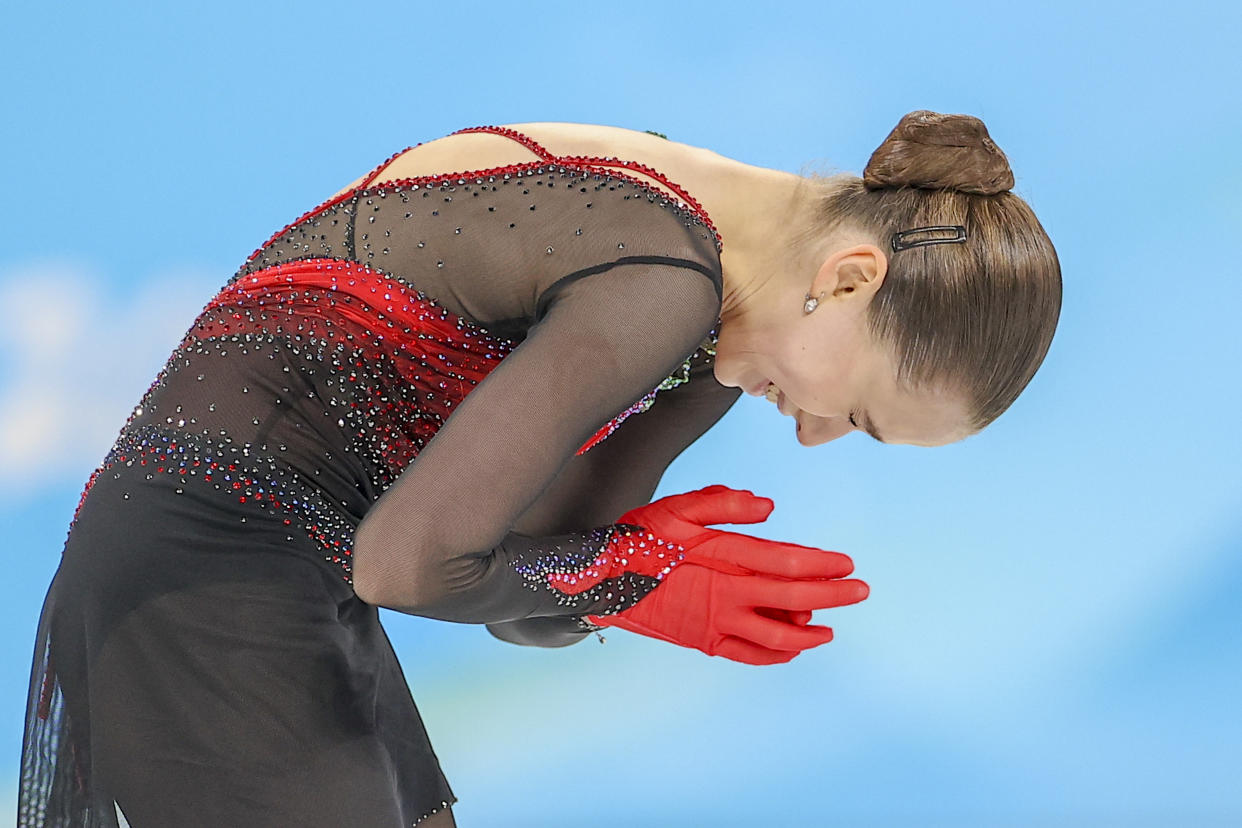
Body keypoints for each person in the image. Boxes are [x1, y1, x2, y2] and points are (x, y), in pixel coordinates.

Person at [18, 110, 1061, 827]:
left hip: (296, 569)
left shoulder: (710, 335)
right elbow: (412, 562)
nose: (817, 435)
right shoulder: (666, 274)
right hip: (206, 568)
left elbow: (517, 592)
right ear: (850, 277)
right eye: (863, 415)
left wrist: (618, 568)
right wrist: (628, 582)